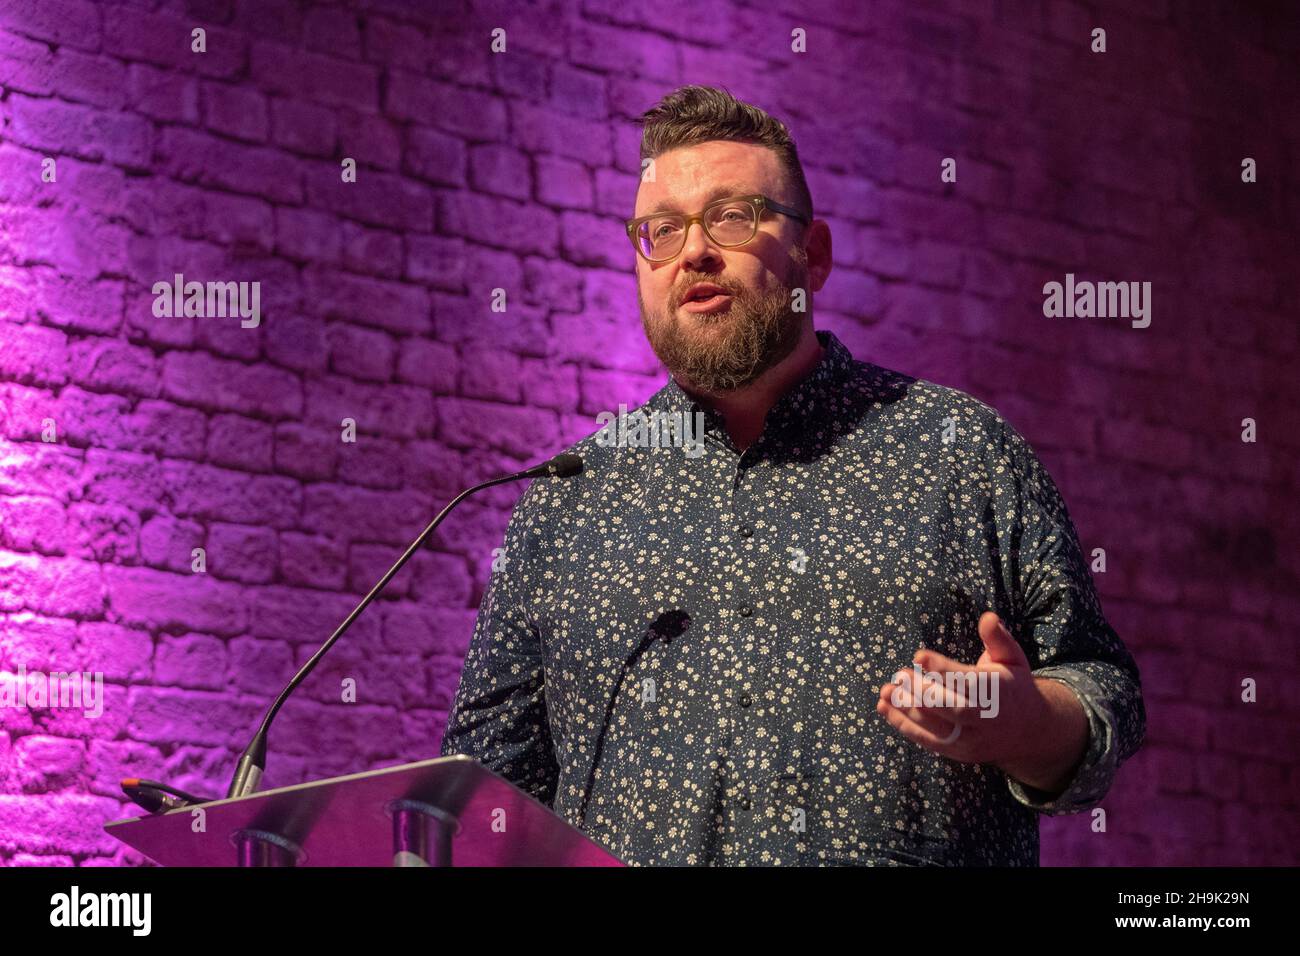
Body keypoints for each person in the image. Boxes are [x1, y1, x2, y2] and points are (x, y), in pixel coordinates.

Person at [440, 85, 1145, 866]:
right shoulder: (570, 501)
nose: (694, 252)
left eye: (732, 217)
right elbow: (483, 790)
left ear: (813, 257)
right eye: (662, 231)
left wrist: (1028, 727)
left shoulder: (959, 452)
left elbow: (1102, 688)